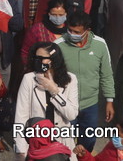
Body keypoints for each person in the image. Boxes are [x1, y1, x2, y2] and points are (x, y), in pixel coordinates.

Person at [56, 8, 114, 150]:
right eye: (70, 30)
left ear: (87, 30)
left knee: (89, 140)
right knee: (65, 142)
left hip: (90, 104)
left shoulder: (100, 45)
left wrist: (109, 101)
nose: (72, 34)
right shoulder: (58, 45)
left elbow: (106, 74)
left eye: (77, 32)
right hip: (67, 104)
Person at [14, 41, 79, 157]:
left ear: (53, 59)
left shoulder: (71, 80)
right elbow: (21, 117)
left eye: (41, 58)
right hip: (37, 145)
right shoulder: (29, 79)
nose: (37, 61)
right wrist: (21, 150)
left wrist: (54, 91)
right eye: (36, 58)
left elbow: (71, 115)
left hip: (62, 144)